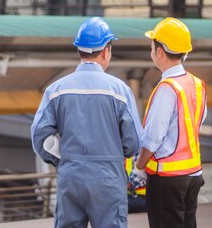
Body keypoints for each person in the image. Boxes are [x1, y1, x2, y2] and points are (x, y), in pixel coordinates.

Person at [31, 17, 143, 228]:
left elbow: (39, 136)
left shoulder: (56, 90)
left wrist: (62, 159)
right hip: (108, 177)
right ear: (106, 51)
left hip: (71, 175)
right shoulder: (120, 91)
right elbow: (134, 141)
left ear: (79, 50)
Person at [132, 17, 207, 228]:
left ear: (159, 52)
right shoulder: (198, 85)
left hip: (167, 178)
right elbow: (195, 125)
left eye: (152, 46)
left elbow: (153, 138)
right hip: (193, 175)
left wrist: (139, 168)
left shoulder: (167, 88)